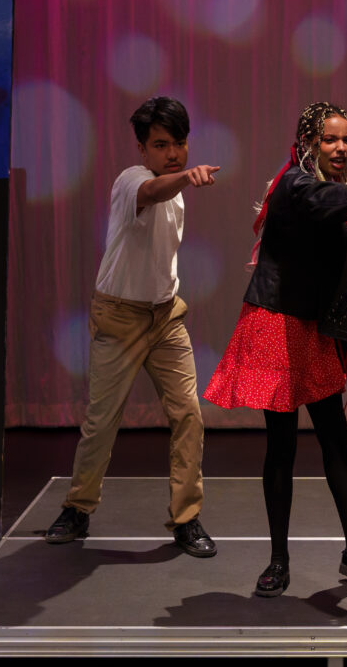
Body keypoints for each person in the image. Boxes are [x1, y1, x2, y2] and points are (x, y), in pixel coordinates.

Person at [204, 102, 347, 596]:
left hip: (311, 328)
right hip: (277, 323)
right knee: (282, 445)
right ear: (309, 142)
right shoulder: (295, 183)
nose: (341, 147)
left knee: (336, 439)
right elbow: (322, 200)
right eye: (330, 139)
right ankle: (278, 561)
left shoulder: (321, 188)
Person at [44, 96, 219, 558]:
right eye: (161, 145)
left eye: (179, 144)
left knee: (189, 415)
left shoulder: (176, 191)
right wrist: (186, 176)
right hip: (119, 317)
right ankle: (77, 508)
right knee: (101, 422)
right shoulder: (132, 180)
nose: (173, 153)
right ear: (142, 149)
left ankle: (186, 518)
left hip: (165, 317)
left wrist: (182, 180)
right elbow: (152, 192)